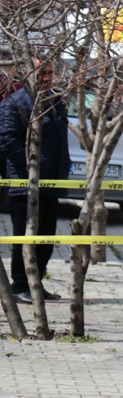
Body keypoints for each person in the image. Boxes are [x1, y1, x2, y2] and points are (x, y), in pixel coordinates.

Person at [0, 58, 69, 304]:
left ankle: (36, 283)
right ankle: (20, 285)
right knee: (25, 237)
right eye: (42, 72)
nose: (47, 77)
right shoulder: (16, 103)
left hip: (51, 182)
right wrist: (31, 165)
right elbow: (7, 140)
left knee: (46, 237)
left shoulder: (55, 100)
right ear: (27, 73)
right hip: (25, 183)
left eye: (50, 72)